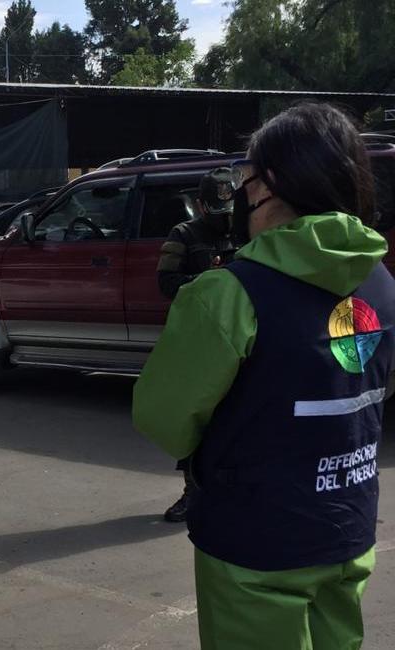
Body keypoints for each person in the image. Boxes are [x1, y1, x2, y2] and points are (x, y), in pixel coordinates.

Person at [133, 102, 395, 650]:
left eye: (243, 178)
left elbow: (164, 419)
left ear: (268, 186)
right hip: (347, 530)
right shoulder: (379, 281)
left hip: (255, 546)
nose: (238, 193)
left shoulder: (227, 293)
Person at [156, 168, 237, 522]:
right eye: (217, 211)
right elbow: (166, 283)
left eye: (229, 209)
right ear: (201, 206)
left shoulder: (247, 231)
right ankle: (193, 491)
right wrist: (207, 279)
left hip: (238, 340)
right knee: (196, 421)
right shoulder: (183, 235)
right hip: (199, 343)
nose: (225, 219)